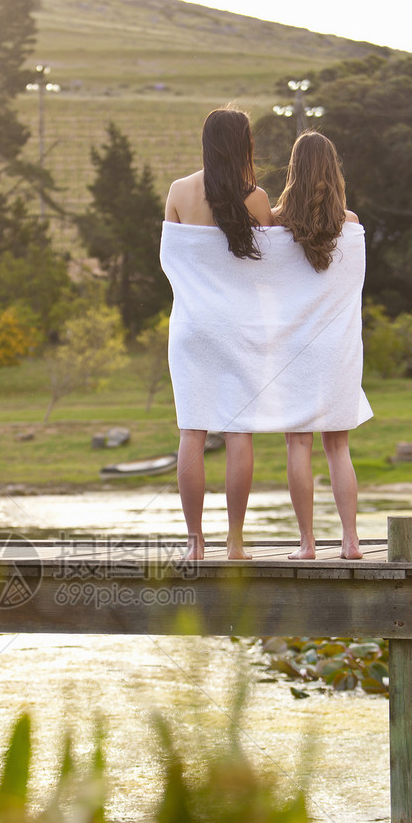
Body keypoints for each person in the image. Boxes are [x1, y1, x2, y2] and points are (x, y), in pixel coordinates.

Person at [164, 107, 273, 562]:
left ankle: (194, 544)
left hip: (190, 326)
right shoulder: (257, 198)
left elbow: (171, 259)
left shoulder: (179, 191)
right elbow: (272, 269)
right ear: (245, 145)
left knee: (192, 432)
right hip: (240, 327)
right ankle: (235, 541)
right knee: (238, 433)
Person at [272, 130, 362, 560]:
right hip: (338, 350)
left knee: (298, 445)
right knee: (338, 446)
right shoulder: (353, 226)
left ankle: (307, 544)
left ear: (295, 170)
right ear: (333, 170)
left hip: (293, 351)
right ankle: (351, 541)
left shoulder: (274, 224)